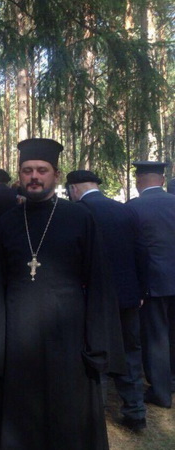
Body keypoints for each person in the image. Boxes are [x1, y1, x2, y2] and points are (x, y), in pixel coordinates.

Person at [0, 138, 124, 449]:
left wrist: (99, 342)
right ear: (19, 174)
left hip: (68, 339)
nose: (34, 177)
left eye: (42, 170)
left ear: (56, 174)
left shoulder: (79, 218)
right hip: (18, 338)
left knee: (69, 417)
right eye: (27, 170)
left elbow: (99, 282)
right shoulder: (7, 223)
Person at [67, 169, 146, 431]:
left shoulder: (78, 214)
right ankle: (135, 411)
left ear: (74, 189)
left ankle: (94, 413)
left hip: (94, 297)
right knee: (130, 352)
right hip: (127, 296)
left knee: (95, 350)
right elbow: (141, 252)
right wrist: (141, 291)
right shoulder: (124, 210)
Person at [126, 160, 175, 409]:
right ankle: (171, 381)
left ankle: (161, 392)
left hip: (154, 283)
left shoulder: (133, 207)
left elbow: (132, 250)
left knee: (156, 338)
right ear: (162, 180)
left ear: (138, 180)